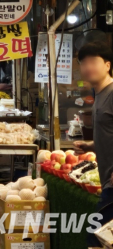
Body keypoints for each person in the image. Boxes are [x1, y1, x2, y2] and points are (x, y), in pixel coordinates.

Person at [73, 42, 113, 247]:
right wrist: (92, 145)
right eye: (83, 63)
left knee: (95, 235)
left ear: (107, 65)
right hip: (107, 179)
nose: (88, 67)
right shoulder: (100, 94)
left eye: (93, 62)